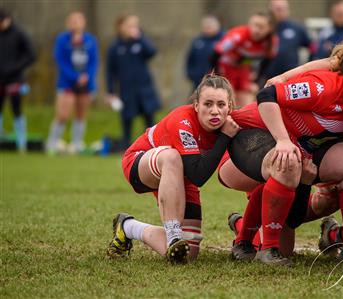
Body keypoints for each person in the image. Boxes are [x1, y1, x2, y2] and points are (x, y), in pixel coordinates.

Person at [218, 39, 343, 265]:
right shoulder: (322, 87)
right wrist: (283, 141)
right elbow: (266, 96)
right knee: (287, 161)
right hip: (249, 140)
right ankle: (252, 240)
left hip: (301, 151)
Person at [107, 74, 240, 263]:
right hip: (141, 161)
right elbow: (198, 176)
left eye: (221, 104)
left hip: (183, 175)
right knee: (172, 156)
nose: (215, 111)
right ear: (196, 106)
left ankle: (128, 227)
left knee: (186, 256)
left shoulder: (231, 123)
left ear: (230, 107)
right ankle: (173, 234)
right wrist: (225, 138)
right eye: (207, 104)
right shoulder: (183, 120)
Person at [106, 14, 161, 149]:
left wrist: (140, 37)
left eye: (135, 25)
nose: (132, 28)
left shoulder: (140, 42)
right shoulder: (114, 47)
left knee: (149, 120)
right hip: (127, 90)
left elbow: (152, 52)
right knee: (127, 120)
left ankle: (153, 148)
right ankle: (127, 149)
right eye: (129, 25)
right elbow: (110, 72)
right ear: (120, 27)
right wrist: (111, 92)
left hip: (144, 89)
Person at [46, 11, 98, 154]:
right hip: (67, 82)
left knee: (81, 114)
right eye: (73, 20)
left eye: (79, 20)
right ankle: (52, 143)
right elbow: (60, 61)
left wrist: (87, 76)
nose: (76, 23)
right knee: (63, 114)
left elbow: (94, 61)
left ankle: (77, 144)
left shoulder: (90, 40)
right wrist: (76, 77)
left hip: (86, 83)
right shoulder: (63, 40)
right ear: (68, 23)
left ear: (84, 22)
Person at [211, 12, 278, 107]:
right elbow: (214, 54)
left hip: (244, 68)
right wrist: (217, 74)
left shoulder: (271, 42)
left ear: (270, 29)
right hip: (226, 67)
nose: (256, 30)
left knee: (247, 99)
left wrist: (258, 80)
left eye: (261, 27)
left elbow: (267, 61)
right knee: (228, 97)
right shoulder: (238, 36)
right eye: (254, 25)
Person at [0, 9, 35, 152]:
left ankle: (22, 144)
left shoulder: (19, 34)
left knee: (17, 109)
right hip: (0, 79)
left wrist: (14, 67)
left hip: (15, 78)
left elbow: (30, 56)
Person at [264, 0, 311, 79]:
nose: (281, 12)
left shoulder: (297, 28)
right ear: (270, 9)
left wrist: (308, 66)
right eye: (278, 9)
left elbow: (312, 47)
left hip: (291, 76)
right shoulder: (264, 28)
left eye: (284, 9)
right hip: (267, 76)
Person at [186, 15, 223, 90]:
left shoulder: (224, 39)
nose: (207, 27)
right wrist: (191, 74)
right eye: (205, 25)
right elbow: (190, 59)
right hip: (198, 81)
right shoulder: (197, 40)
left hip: (218, 82)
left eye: (210, 25)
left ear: (217, 25)